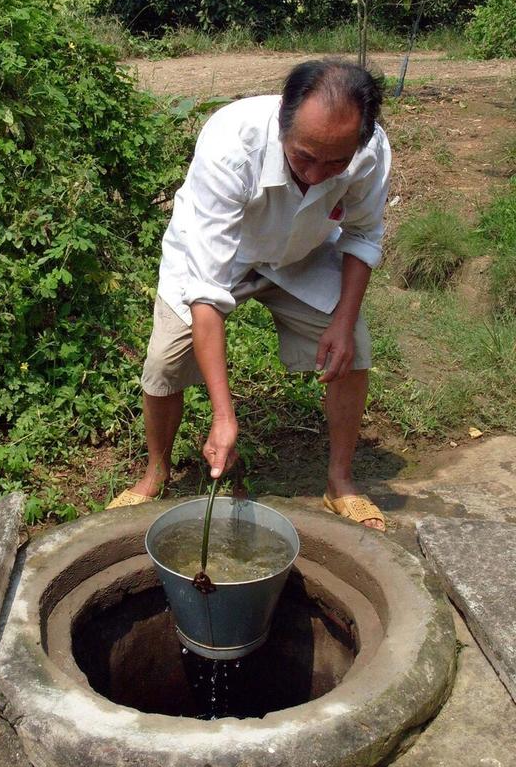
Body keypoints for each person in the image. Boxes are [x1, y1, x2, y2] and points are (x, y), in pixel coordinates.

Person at [108, 59, 391, 531]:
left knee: (354, 347)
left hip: (301, 253)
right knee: (163, 363)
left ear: (360, 139)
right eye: (303, 157)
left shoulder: (370, 150)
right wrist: (224, 415)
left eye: (335, 163)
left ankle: (340, 482)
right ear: (283, 119)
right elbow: (206, 292)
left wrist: (342, 322)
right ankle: (155, 471)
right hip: (221, 253)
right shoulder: (231, 143)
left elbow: (362, 234)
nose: (318, 175)